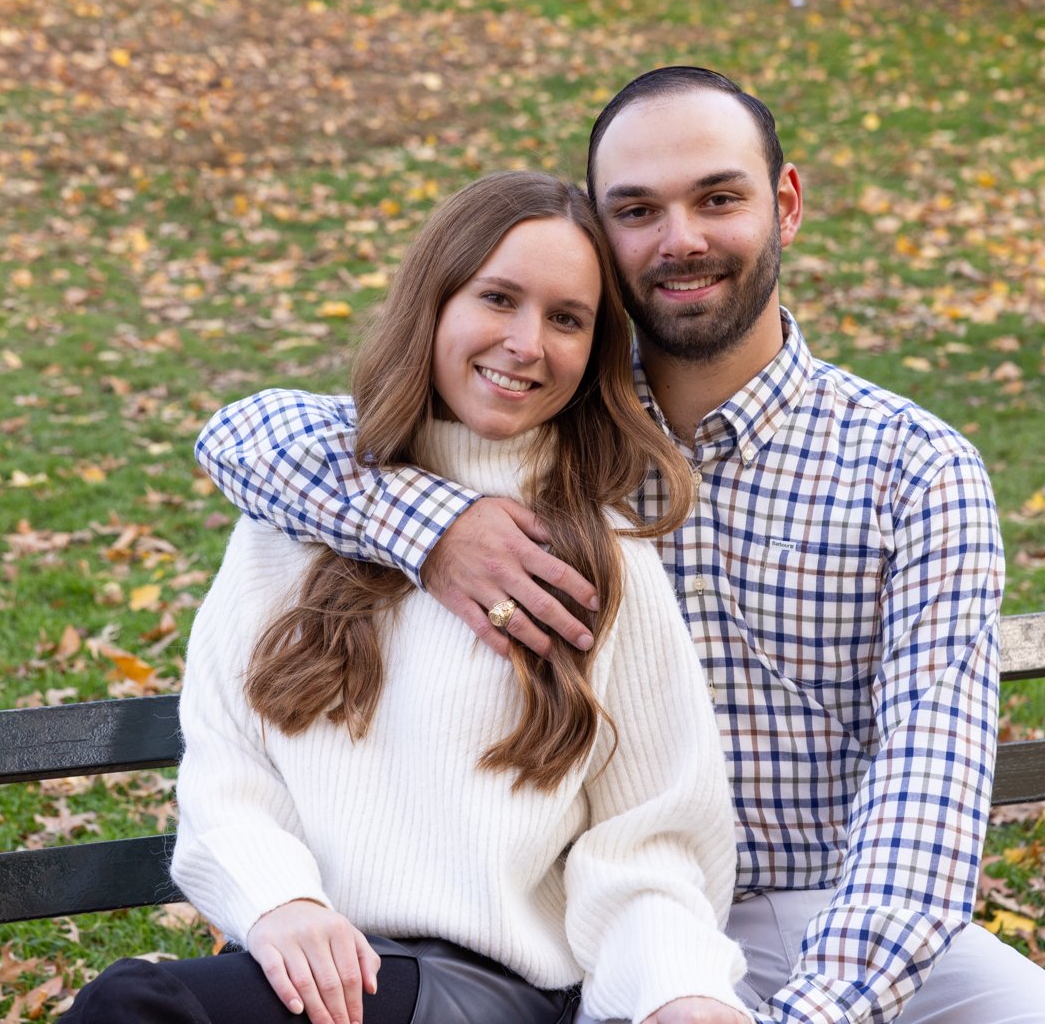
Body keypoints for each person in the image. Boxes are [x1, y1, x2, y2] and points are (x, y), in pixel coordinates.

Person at [194, 68, 1045, 1023]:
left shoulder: (912, 469)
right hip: (600, 934)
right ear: (600, 234)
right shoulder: (542, 417)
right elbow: (249, 435)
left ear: (784, 205)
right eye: (637, 209)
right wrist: (437, 531)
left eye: (719, 198)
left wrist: (819, 1013)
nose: (682, 239)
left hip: (832, 923)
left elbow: (926, 805)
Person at [65, 171, 750, 1024]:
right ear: (432, 302)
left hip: (488, 997)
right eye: (498, 298)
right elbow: (228, 760)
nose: (527, 343)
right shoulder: (300, 516)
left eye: (566, 319)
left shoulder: (597, 559)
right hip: (301, 975)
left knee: (138, 1008)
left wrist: (680, 997)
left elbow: (649, 847)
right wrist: (283, 902)